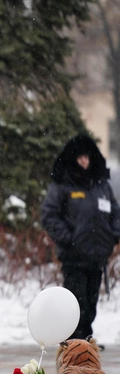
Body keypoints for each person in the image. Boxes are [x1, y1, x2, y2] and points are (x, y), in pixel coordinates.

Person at [41, 133, 120, 341]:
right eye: (80, 158)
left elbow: (116, 213)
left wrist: (113, 236)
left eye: (87, 157)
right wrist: (69, 239)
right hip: (74, 257)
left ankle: (86, 339)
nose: (84, 161)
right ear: (73, 159)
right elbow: (50, 216)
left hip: (98, 256)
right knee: (76, 302)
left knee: (92, 302)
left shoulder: (102, 185)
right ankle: (74, 340)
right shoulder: (62, 185)